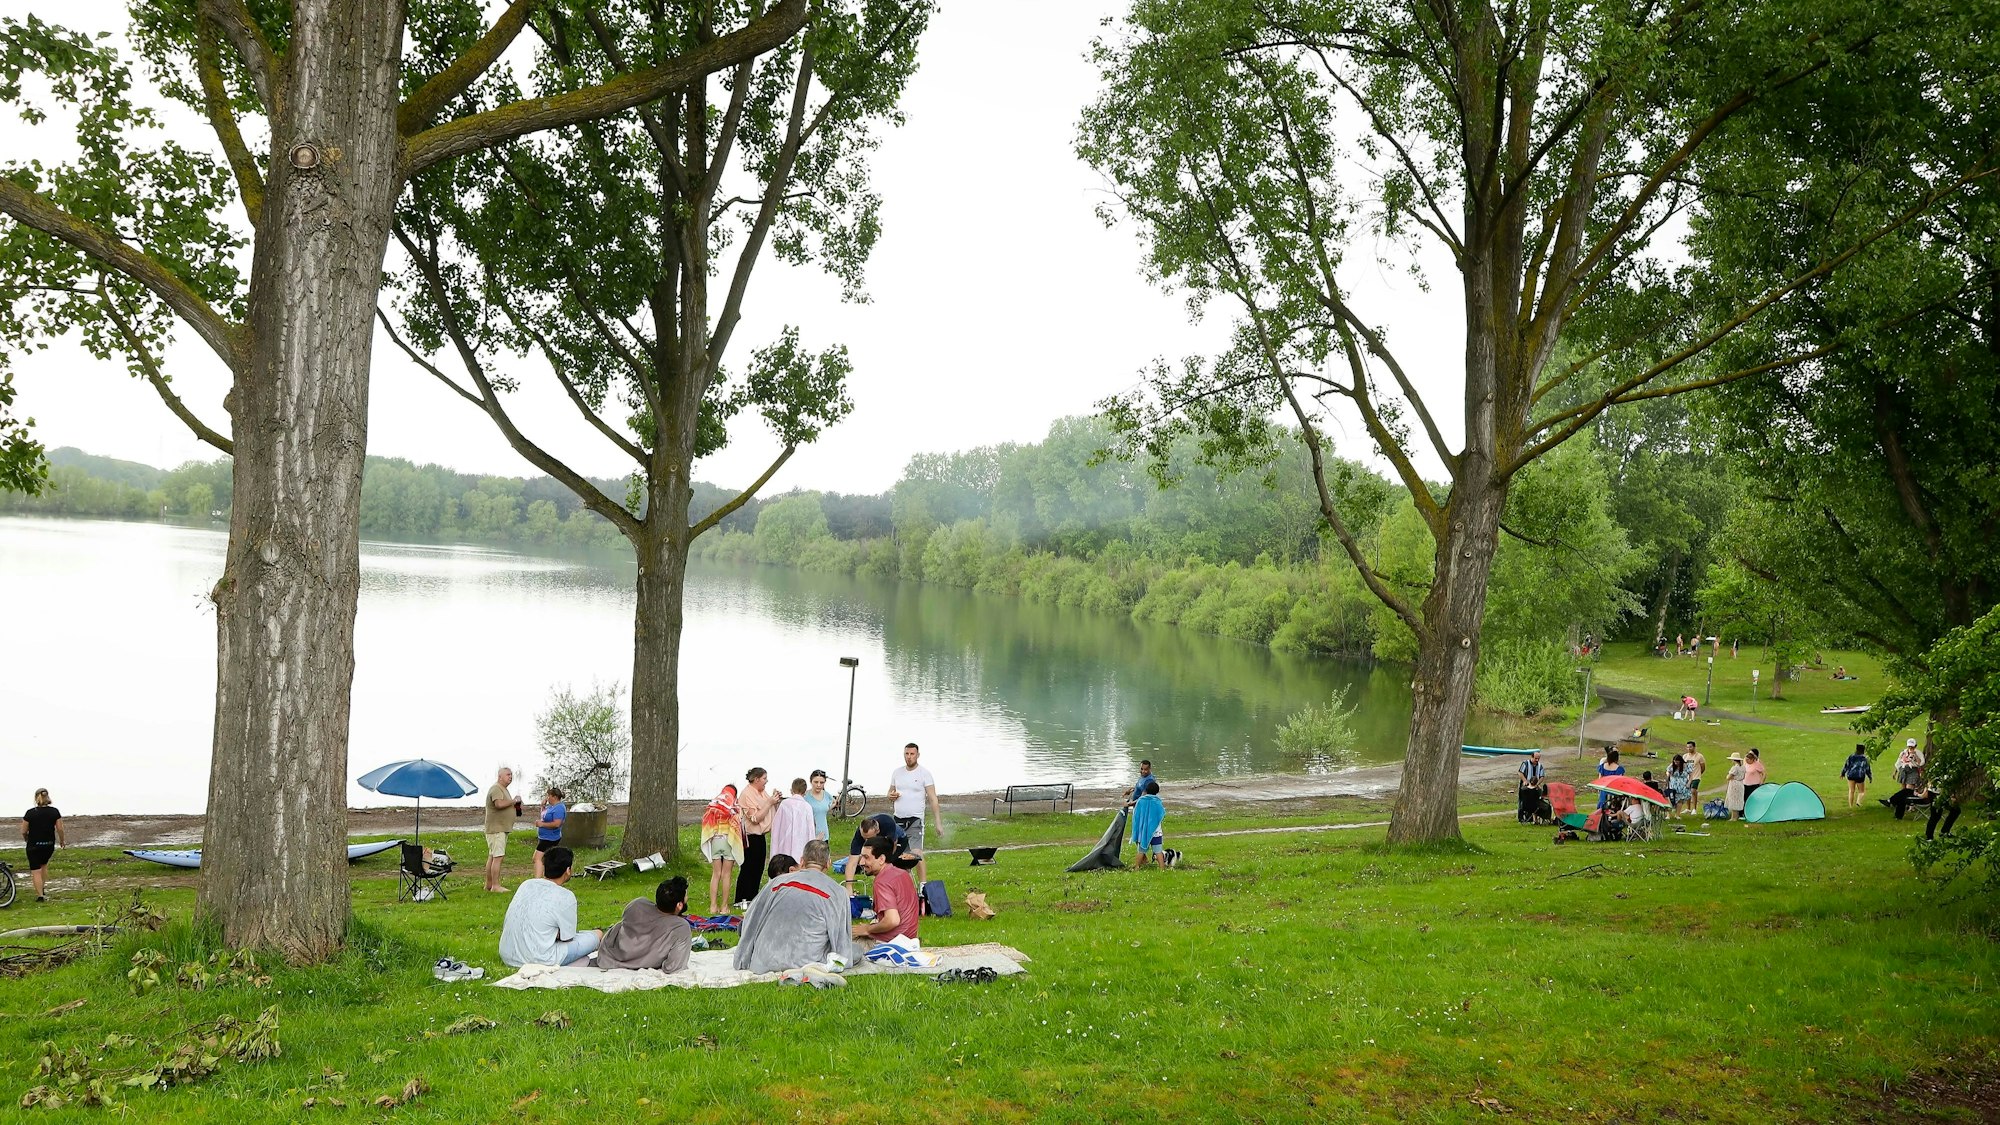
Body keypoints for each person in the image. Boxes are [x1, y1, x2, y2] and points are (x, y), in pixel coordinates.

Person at [735, 841, 852, 973]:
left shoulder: (777, 882)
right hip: (806, 964)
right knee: (856, 950)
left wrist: (743, 955)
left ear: (802, 861)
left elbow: (751, 918)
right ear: (828, 863)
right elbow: (842, 943)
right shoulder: (838, 892)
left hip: (764, 961)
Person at [498, 846, 600, 968]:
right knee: (597, 935)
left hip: (508, 955)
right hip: (539, 959)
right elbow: (567, 938)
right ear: (568, 870)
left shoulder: (526, 884)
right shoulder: (566, 896)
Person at [596, 876, 693, 972]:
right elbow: (673, 967)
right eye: (686, 896)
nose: (687, 898)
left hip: (608, 956)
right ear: (679, 905)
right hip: (620, 959)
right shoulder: (680, 927)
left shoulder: (637, 904)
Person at [887, 742, 945, 891]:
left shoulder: (924, 774)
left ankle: (923, 886)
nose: (909, 757)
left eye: (912, 754)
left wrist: (938, 822)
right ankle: (903, 886)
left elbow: (933, 799)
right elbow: (890, 792)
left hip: (915, 819)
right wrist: (891, 796)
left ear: (918, 755)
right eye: (906, 754)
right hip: (898, 819)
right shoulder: (897, 773)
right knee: (899, 854)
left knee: (916, 853)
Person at [849, 837, 919, 949]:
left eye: (866, 857)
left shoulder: (882, 881)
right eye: (861, 857)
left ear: (881, 859)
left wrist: (867, 929)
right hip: (910, 938)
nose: (861, 862)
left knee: (843, 941)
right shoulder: (903, 874)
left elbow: (892, 920)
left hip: (892, 944)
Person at [735, 768, 778, 907]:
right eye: (764, 778)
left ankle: (753, 897)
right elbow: (755, 818)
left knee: (759, 868)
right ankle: (742, 899)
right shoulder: (747, 794)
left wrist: (774, 800)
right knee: (748, 868)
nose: (766, 781)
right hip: (750, 836)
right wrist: (769, 803)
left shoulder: (762, 792)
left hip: (761, 836)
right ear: (756, 779)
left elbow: (769, 809)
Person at [700, 784, 744, 916]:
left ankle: (713, 906)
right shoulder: (734, 805)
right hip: (728, 841)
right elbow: (738, 822)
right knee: (726, 874)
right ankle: (724, 906)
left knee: (716, 874)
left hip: (715, 841)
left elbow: (706, 821)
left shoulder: (714, 803)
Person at [840, 812, 905, 891]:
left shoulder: (887, 823)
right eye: (864, 838)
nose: (866, 840)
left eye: (868, 838)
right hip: (880, 839)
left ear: (877, 831)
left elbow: (893, 844)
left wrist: (888, 861)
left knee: (889, 865)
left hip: (900, 839)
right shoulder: (859, 835)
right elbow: (852, 863)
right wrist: (849, 887)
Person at [20, 788, 64, 903]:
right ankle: (42, 890)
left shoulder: (30, 813)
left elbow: (23, 831)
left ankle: (40, 895)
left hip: (33, 845)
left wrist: (26, 839)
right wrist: (62, 841)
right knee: (43, 865)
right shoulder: (54, 812)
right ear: (48, 797)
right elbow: (60, 829)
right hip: (48, 845)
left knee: (35, 870)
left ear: (36, 798)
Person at [482, 766, 517, 893]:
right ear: (500, 776)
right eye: (508, 774)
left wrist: (515, 805)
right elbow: (498, 804)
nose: (510, 777)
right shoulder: (496, 788)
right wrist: (513, 801)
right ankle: (495, 886)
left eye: (511, 774)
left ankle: (489, 885)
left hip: (500, 828)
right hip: (497, 829)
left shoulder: (503, 789)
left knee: (493, 856)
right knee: (498, 857)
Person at [771, 778, 815, 866]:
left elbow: (776, 826)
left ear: (792, 790)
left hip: (784, 844)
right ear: (805, 792)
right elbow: (811, 830)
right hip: (801, 843)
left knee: (784, 867)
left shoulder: (784, 804)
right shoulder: (807, 807)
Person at [532, 787, 566, 880]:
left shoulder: (559, 808)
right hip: (544, 837)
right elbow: (545, 817)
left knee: (537, 858)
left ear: (554, 797)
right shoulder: (551, 806)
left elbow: (557, 824)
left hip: (550, 838)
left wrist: (542, 824)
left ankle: (538, 880)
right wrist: (542, 807)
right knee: (545, 859)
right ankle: (546, 878)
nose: (547, 798)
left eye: (549, 796)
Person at [1130, 778, 1165, 867]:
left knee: (1141, 851)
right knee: (1158, 851)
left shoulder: (1140, 800)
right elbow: (1161, 814)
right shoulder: (1157, 801)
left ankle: (1137, 867)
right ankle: (1162, 868)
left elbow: (1136, 815)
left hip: (1144, 832)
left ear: (1146, 790)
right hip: (1156, 832)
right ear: (1157, 791)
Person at [804, 770, 837, 842]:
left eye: (821, 783)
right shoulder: (805, 796)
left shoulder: (826, 795)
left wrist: (826, 809)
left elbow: (834, 802)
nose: (818, 785)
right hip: (809, 837)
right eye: (816, 782)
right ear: (811, 782)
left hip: (824, 835)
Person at [1516, 751, 1547, 824]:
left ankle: (1534, 818)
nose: (1537, 760)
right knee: (1522, 801)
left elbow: (1542, 776)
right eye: (1535, 758)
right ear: (1532, 757)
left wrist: (1537, 784)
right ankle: (1521, 818)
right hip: (1526, 785)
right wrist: (1525, 781)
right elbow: (1520, 772)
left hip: (1535, 785)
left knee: (1536, 801)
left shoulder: (1540, 766)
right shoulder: (1525, 763)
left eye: (1538, 759)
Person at [1841, 744, 1874, 808]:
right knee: (1862, 791)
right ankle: (1858, 801)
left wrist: (1843, 773)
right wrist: (1870, 777)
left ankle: (1851, 806)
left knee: (1851, 791)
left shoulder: (1851, 757)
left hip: (1851, 775)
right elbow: (1867, 769)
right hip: (1860, 776)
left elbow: (1846, 765)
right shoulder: (1865, 758)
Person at [1684, 741, 1706, 810]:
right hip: (1687, 777)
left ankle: (1694, 808)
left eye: (1690, 747)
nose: (1689, 749)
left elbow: (1703, 767)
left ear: (1694, 747)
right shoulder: (1685, 756)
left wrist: (1699, 773)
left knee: (1693, 791)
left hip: (1696, 776)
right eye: (1687, 747)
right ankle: (1688, 808)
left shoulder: (1699, 756)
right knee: (1687, 792)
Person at [1724, 753, 1748, 820]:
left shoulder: (1735, 768)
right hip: (1740, 784)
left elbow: (1729, 777)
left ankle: (1733, 817)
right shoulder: (1743, 767)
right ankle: (1736, 816)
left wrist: (1728, 776)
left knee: (1733, 799)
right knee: (1738, 799)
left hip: (1734, 784)